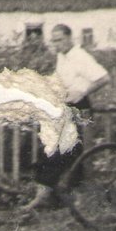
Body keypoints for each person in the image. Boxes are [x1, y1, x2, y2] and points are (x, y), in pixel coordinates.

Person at [24, 24, 110, 211]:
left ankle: (50, 198)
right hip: (63, 107)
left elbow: (104, 78)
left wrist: (83, 92)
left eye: (60, 40)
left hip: (78, 108)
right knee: (55, 149)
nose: (56, 44)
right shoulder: (62, 57)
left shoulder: (80, 56)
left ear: (70, 38)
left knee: (66, 151)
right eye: (53, 41)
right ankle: (54, 197)